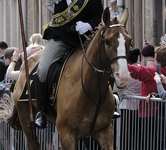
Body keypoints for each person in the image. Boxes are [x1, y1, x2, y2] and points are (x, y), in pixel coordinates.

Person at [35, 0, 103, 128]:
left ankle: (109, 105)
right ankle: (42, 111)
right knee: (43, 70)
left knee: (104, 64)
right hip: (60, 38)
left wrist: (88, 25)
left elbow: (99, 15)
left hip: (86, 39)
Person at [128, 45, 166, 149]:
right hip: (160, 113)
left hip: (148, 113)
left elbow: (136, 71)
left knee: (147, 144)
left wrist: (120, 62)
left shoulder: (154, 72)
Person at [113, 48, 141, 149]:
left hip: (126, 106)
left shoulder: (123, 72)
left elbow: (115, 88)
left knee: (126, 136)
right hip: (140, 106)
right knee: (137, 135)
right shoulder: (142, 69)